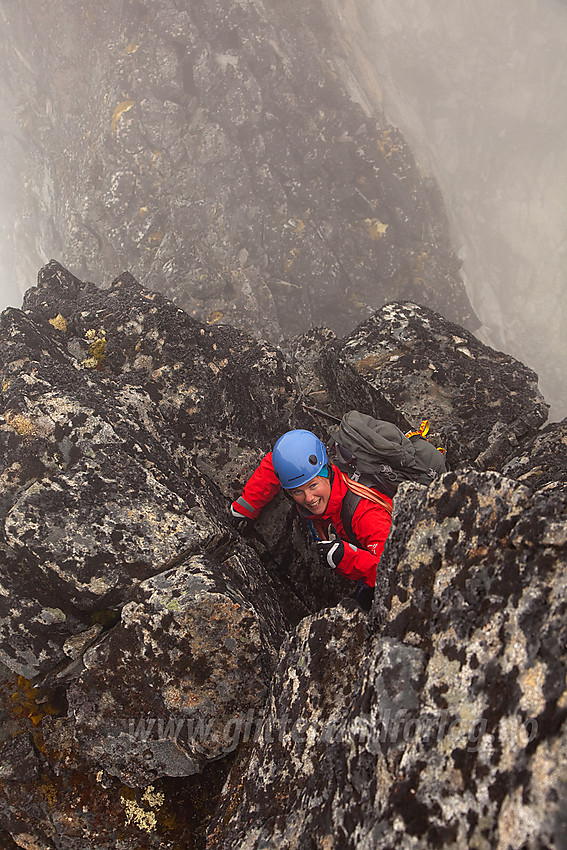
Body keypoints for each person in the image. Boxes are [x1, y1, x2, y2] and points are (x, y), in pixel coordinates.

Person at [229, 429, 393, 603]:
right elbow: (279, 463)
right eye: (298, 491)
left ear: (327, 474)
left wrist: (346, 557)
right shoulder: (314, 471)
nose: (308, 498)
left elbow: (393, 569)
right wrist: (247, 505)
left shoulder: (365, 514)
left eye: (313, 485)